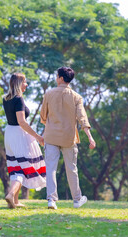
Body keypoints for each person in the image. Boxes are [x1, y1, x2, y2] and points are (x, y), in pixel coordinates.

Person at [40, 67, 96, 210]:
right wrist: (90, 137)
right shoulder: (77, 97)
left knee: (51, 168)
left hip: (51, 136)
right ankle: (77, 199)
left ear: (60, 78)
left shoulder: (49, 94)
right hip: (69, 138)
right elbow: (82, 118)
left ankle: (51, 200)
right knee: (72, 168)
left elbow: (43, 117)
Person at [3, 73, 46, 208]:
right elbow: (22, 122)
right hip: (18, 134)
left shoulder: (6, 99)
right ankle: (11, 195)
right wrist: (37, 136)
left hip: (9, 133)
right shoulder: (18, 99)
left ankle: (14, 202)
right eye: (24, 82)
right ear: (19, 84)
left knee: (15, 166)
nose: (26, 85)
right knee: (22, 167)